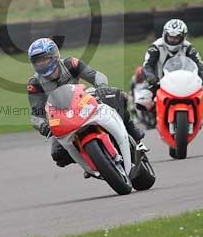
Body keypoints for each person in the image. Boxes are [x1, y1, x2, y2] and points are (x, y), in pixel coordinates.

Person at [26, 37, 145, 167]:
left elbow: (95, 75)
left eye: (44, 59)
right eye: (37, 61)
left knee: (116, 96)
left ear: (54, 55)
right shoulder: (34, 84)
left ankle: (134, 134)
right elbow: (36, 113)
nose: (41, 64)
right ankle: (90, 159)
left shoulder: (71, 63)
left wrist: (102, 86)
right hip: (61, 116)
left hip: (82, 100)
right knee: (58, 154)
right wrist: (42, 125)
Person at [142, 19, 203, 96]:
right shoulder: (156, 47)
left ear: (183, 37)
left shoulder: (188, 47)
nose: (172, 40)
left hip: (184, 87)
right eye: (170, 36)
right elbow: (147, 66)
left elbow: (200, 64)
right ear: (165, 34)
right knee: (143, 102)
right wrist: (153, 79)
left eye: (176, 37)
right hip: (158, 86)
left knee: (199, 100)